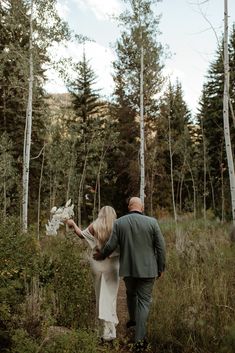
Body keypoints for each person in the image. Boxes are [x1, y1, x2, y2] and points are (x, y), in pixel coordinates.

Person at [93, 197, 165, 349]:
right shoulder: (152, 222)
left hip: (129, 270)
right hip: (148, 270)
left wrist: (102, 255)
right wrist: (160, 267)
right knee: (144, 302)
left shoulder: (120, 223)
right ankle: (139, 341)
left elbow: (111, 245)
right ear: (142, 207)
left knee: (131, 294)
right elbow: (161, 247)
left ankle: (133, 321)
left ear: (129, 207)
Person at [66, 206, 119, 342]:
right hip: (113, 265)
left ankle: (103, 332)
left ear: (100, 214)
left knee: (100, 296)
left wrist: (73, 224)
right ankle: (111, 332)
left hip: (97, 264)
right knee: (111, 297)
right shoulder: (117, 226)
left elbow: (81, 235)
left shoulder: (95, 225)